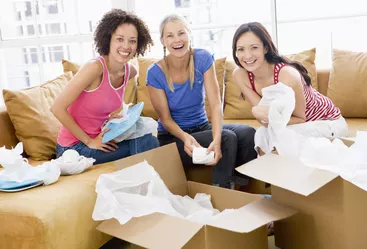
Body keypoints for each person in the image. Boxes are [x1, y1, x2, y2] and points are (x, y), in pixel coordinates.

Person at [146, 14, 257, 189]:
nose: (177, 40)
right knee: (228, 138)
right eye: (170, 35)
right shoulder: (154, 72)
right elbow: (165, 120)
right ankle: (222, 191)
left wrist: (216, 137)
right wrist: (185, 137)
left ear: (189, 34)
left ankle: (239, 187)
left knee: (248, 134)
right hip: (173, 137)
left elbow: (214, 103)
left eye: (181, 33)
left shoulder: (203, 58)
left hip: (202, 127)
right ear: (163, 41)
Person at [51, 9, 159, 164]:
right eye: (120, 39)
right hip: (73, 148)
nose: (126, 46)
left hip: (102, 138)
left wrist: (108, 118)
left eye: (132, 41)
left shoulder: (129, 72)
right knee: (145, 142)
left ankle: (146, 184)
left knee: (148, 135)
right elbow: (56, 108)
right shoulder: (94, 68)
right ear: (108, 39)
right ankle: (151, 186)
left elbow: (98, 102)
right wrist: (89, 141)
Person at [232, 22, 348, 139]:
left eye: (254, 48)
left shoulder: (287, 75)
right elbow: (265, 120)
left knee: (274, 136)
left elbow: (299, 119)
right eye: (241, 49)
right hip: (296, 125)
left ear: (265, 48)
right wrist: (264, 114)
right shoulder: (240, 75)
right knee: (263, 134)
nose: (247, 56)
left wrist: (268, 115)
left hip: (327, 122)